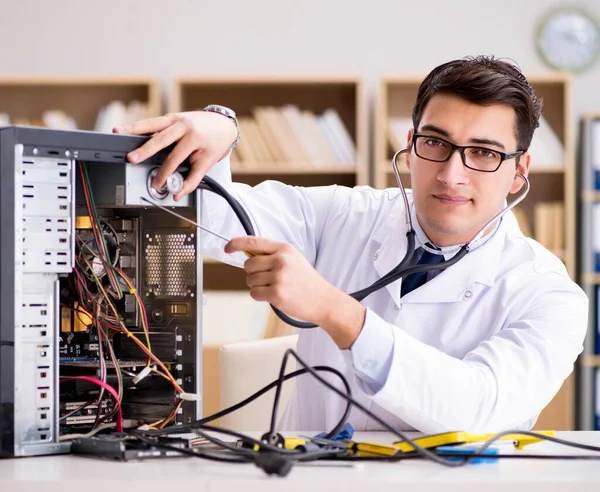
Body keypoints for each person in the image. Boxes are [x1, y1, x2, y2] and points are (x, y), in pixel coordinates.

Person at [114, 55, 588, 434]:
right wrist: (220, 130)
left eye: (483, 152)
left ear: (519, 171)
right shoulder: (344, 214)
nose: (451, 173)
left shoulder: (548, 295)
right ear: (411, 142)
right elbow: (214, 221)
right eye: (436, 143)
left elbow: (477, 407)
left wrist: (337, 312)